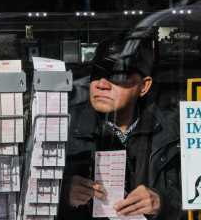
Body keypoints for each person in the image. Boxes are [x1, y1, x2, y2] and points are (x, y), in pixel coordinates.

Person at [58, 29, 185, 220]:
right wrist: (61, 195)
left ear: (144, 86)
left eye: (116, 76)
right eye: (96, 73)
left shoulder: (173, 132)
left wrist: (161, 203)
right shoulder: (62, 128)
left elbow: (194, 193)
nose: (101, 84)